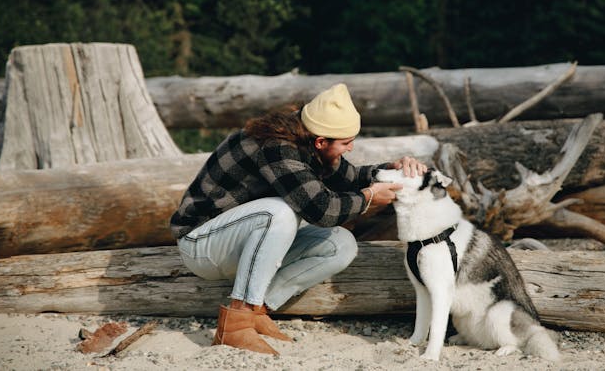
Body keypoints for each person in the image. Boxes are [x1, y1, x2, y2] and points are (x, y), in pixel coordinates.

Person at [170, 83, 427, 355]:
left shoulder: (308, 137)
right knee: (278, 212)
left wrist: (391, 171)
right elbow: (321, 209)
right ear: (321, 142)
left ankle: (259, 309)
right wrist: (369, 198)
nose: (350, 149)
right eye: (346, 143)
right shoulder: (275, 147)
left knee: (341, 243)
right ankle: (236, 322)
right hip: (201, 244)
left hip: (237, 240)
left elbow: (349, 178)